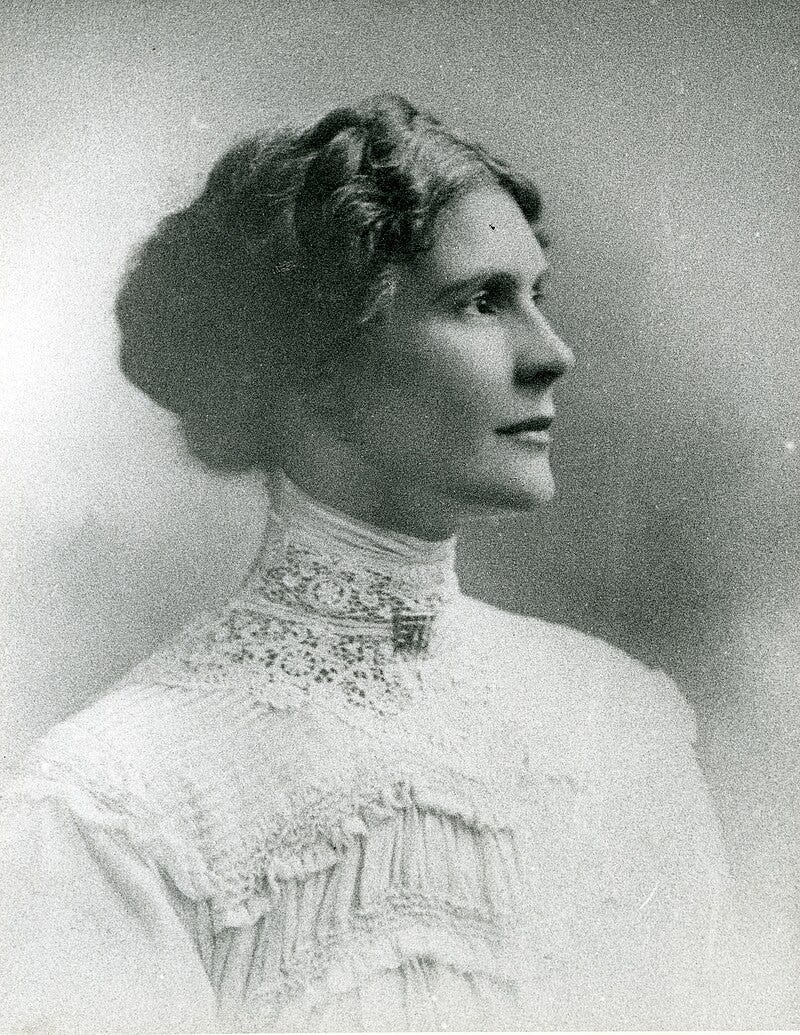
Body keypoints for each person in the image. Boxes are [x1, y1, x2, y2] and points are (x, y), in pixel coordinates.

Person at [0, 94, 732, 1032]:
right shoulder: (118, 812)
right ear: (317, 366)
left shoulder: (623, 726)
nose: (552, 354)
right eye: (478, 302)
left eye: (535, 297)